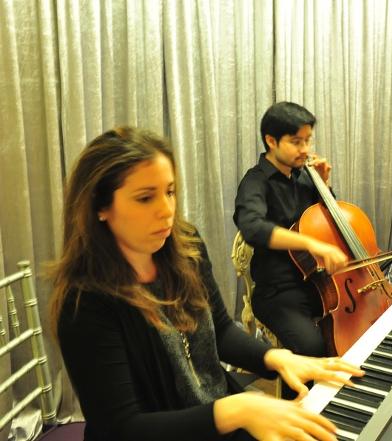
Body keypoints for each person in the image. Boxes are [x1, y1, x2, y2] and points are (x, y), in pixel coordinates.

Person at [50, 126, 362, 441]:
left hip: (215, 418)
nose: (166, 211)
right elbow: (123, 428)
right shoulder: (84, 303)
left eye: (169, 192)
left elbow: (220, 331)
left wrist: (278, 358)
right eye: (145, 198)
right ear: (100, 207)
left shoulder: (186, 248)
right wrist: (240, 409)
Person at [233, 102, 348, 392]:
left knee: (355, 330)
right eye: (296, 142)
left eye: (308, 140)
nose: (306, 149)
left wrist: (325, 185)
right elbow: (253, 227)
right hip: (278, 291)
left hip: (318, 281)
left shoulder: (305, 176)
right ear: (271, 141)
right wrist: (309, 243)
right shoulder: (255, 181)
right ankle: (297, 412)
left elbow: (328, 221)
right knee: (311, 346)